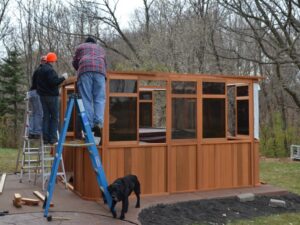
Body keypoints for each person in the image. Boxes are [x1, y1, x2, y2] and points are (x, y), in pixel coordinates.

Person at [72, 36, 107, 140]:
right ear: (95, 42)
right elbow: (105, 64)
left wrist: (79, 68)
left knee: (86, 99)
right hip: (100, 71)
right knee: (99, 98)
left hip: (85, 70)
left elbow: (74, 63)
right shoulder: (101, 49)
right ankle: (99, 123)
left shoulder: (80, 47)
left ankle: (90, 125)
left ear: (86, 42)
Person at [36, 52, 68, 144]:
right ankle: (53, 139)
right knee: (54, 117)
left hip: (42, 96)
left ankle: (45, 139)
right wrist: (63, 78)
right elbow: (53, 82)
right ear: (53, 61)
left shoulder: (41, 69)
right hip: (51, 96)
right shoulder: (50, 70)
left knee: (46, 116)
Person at [28, 56, 46, 139]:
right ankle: (37, 132)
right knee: (39, 113)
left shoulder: (37, 70)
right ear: (43, 62)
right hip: (37, 92)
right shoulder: (42, 71)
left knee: (34, 113)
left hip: (31, 92)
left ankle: (31, 132)